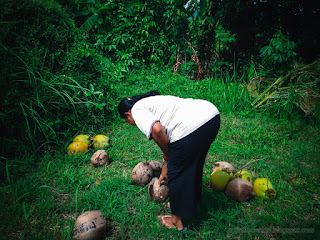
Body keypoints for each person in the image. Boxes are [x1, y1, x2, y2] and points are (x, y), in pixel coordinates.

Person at [118, 90, 220, 231]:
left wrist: (167, 157)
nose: (129, 123)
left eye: (126, 121)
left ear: (127, 114)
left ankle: (177, 222)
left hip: (191, 128)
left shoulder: (136, 110)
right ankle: (193, 199)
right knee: (193, 162)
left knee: (176, 171)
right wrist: (166, 162)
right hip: (211, 117)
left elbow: (158, 130)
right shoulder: (152, 101)